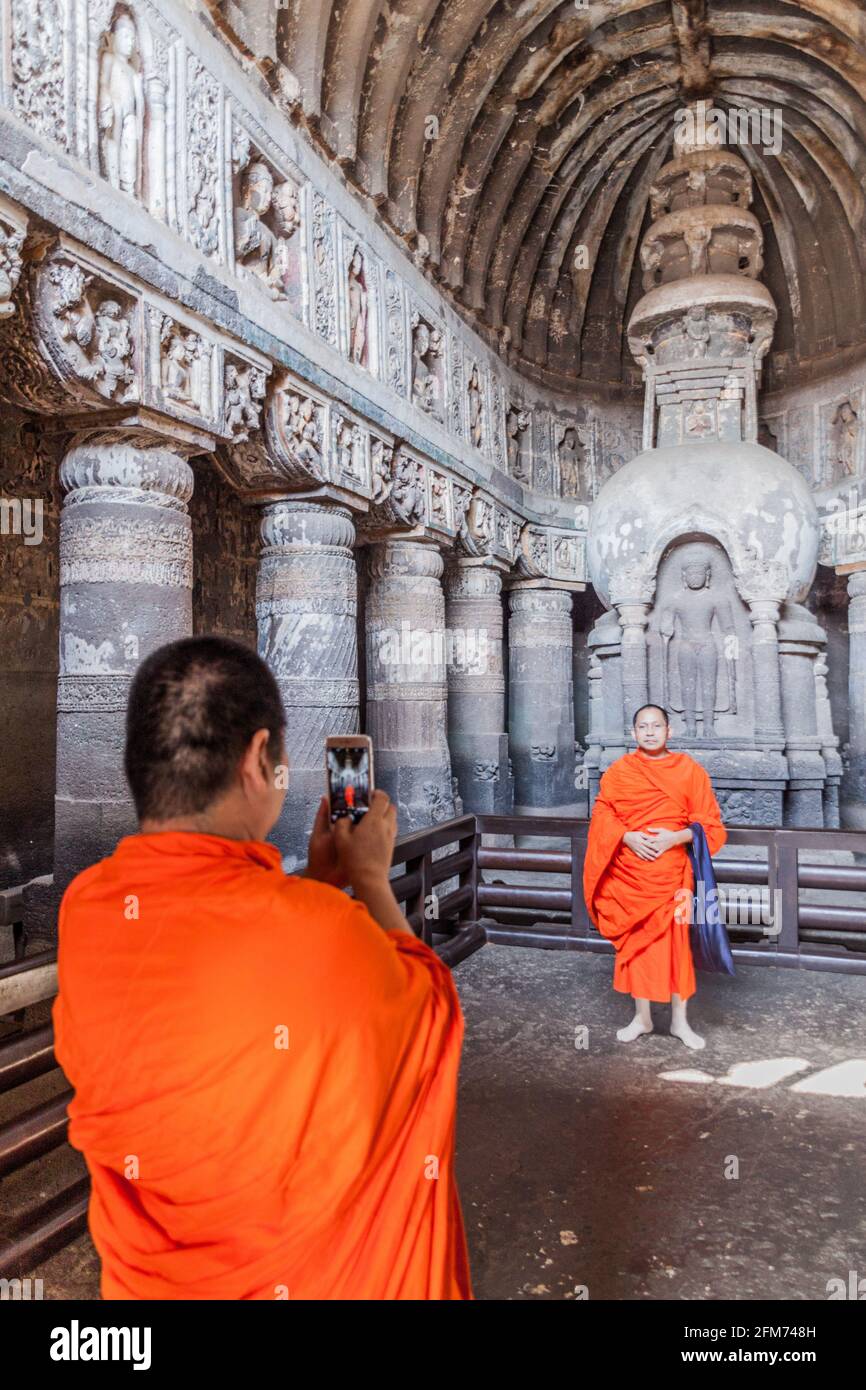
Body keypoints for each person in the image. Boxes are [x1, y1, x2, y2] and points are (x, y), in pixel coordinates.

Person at [53, 636, 471, 1300]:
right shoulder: (319, 931)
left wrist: (325, 890)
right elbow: (432, 1011)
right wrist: (368, 879)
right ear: (257, 760)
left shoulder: (90, 907)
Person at [582, 704, 726, 1050]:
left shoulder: (689, 771)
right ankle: (642, 1018)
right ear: (634, 734)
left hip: (673, 875)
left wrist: (674, 838)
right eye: (643, 727)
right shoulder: (620, 771)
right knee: (637, 947)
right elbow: (603, 811)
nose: (649, 732)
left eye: (656, 726)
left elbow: (711, 826)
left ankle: (680, 1022)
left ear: (668, 731)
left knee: (676, 948)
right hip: (630, 875)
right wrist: (626, 836)